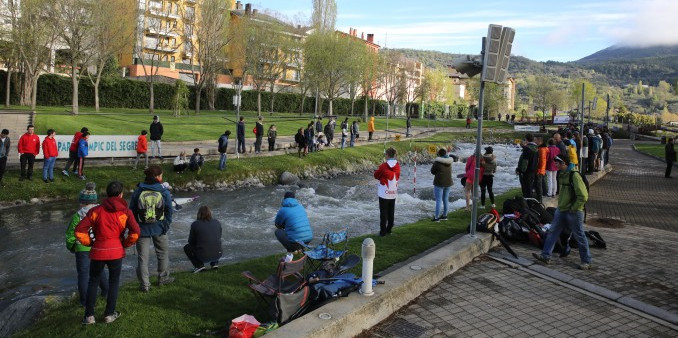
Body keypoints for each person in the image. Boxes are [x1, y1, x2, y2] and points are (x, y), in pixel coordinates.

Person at [75, 180, 140, 324]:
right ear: (121, 194)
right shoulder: (126, 212)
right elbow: (136, 232)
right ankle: (109, 314)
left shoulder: (95, 211)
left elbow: (79, 230)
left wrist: (90, 242)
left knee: (93, 281)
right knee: (114, 282)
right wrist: (125, 244)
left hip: (98, 250)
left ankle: (89, 316)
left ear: (106, 193)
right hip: (116, 251)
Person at [533, 155, 592, 270]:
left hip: (573, 212)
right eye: (555, 162)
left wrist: (574, 208)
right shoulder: (562, 174)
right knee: (552, 232)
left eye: (557, 162)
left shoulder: (574, 175)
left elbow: (583, 196)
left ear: (564, 163)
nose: (555, 164)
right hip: (561, 210)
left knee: (579, 235)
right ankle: (545, 256)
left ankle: (586, 261)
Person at [129, 166, 174, 292]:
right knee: (162, 254)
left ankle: (145, 285)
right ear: (157, 177)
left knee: (143, 258)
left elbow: (131, 211)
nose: (162, 177)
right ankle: (163, 279)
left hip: (141, 229)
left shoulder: (138, 191)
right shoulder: (163, 191)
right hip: (159, 228)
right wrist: (166, 224)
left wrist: (135, 227)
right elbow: (169, 210)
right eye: (161, 175)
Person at [65, 182, 109, 307]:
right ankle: (105, 291)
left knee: (83, 275)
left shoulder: (77, 216)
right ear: (95, 201)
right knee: (100, 270)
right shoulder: (102, 213)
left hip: (82, 248)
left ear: (82, 202)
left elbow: (70, 235)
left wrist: (72, 247)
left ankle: (84, 301)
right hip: (99, 247)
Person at [184, 206, 222, 273]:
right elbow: (218, 236)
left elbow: (190, 241)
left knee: (187, 247)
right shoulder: (217, 222)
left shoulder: (195, 224)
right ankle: (215, 263)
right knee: (214, 241)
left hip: (203, 255)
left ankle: (199, 266)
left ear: (199, 213)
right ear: (210, 213)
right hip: (218, 254)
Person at [374, 147, 400, 236]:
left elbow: (376, 175)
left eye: (386, 154)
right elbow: (398, 176)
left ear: (388, 155)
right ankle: (389, 229)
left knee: (383, 213)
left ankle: (383, 232)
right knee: (391, 211)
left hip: (384, 192)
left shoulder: (384, 165)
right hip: (393, 192)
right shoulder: (397, 165)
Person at [431, 148, 453, 221]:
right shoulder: (449, 161)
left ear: (439, 154)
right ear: (445, 153)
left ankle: (436, 218)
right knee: (446, 199)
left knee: (438, 200)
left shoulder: (437, 162)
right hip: (448, 182)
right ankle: (445, 216)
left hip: (439, 183)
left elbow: (432, 171)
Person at [516, 133, 538, 198]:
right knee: (530, 187)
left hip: (526, 172)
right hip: (533, 170)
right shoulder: (536, 148)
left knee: (525, 188)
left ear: (526, 139)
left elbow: (525, 162)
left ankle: (527, 203)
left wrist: (521, 171)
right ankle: (529, 201)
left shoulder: (527, 149)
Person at [535, 138, 549, 203]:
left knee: (539, 184)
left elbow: (542, 161)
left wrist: (539, 169)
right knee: (543, 183)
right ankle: (544, 194)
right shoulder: (545, 148)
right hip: (543, 169)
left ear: (540, 141)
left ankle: (539, 199)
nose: (535, 142)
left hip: (540, 170)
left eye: (536, 140)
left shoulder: (542, 149)